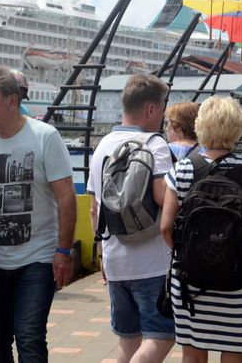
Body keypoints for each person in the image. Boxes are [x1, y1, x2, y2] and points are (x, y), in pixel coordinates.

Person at [0, 67, 77, 362]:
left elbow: (66, 197)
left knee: (29, 337)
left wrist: (63, 251)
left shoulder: (44, 137)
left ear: (12, 101)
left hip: (36, 258)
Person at [161, 96, 242, 362]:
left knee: (192, 356)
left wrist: (189, 254)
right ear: (237, 128)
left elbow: (165, 228)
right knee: (235, 357)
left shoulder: (182, 170)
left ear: (201, 125)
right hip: (239, 282)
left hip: (190, 282)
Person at [87, 74, 175, 362]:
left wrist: (101, 255)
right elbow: (163, 197)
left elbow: (93, 208)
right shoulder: (155, 143)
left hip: (114, 261)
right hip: (152, 262)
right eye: (162, 108)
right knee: (161, 337)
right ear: (151, 109)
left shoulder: (102, 146)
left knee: (128, 341)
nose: (163, 115)